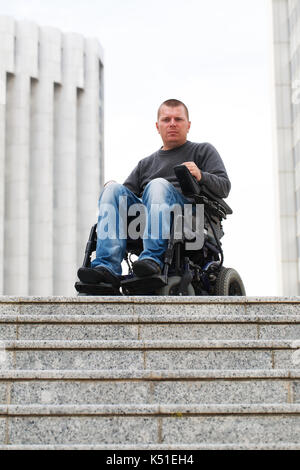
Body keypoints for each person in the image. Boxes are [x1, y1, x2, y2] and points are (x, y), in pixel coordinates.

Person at [77, 99, 231, 287]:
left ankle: (153, 259)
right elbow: (124, 198)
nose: (172, 123)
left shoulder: (202, 151)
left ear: (188, 125)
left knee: (158, 185)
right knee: (112, 190)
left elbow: (224, 187)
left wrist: (201, 175)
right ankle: (106, 266)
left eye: (178, 119)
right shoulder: (146, 163)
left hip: (189, 218)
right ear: (157, 126)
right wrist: (111, 188)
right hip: (146, 221)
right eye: (166, 119)